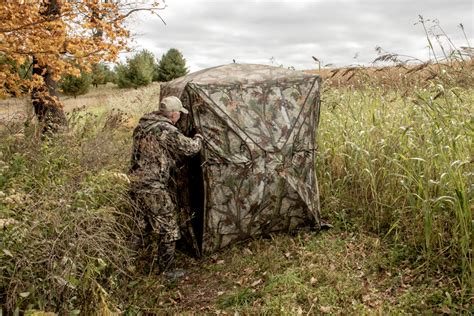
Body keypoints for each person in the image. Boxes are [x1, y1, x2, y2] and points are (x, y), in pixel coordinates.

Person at [129, 96, 203, 273]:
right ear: (174, 114)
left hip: (135, 183)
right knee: (169, 228)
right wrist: (198, 137)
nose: (180, 117)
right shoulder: (165, 129)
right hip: (152, 187)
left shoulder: (143, 125)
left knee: (141, 226)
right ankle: (167, 271)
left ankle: (126, 264)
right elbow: (190, 148)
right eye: (179, 114)